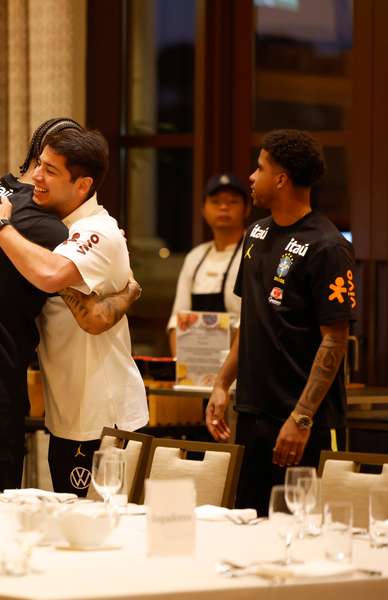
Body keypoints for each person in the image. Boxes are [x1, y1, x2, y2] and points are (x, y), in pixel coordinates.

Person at [0, 118, 140, 493]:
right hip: (65, 411)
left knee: (95, 534)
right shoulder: (48, 227)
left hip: (101, 414)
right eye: (38, 164)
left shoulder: (96, 232)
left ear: (83, 185)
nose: (35, 177)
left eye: (50, 171)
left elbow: (60, 284)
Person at [206, 129, 354, 515]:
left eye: (259, 168)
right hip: (254, 415)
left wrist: (301, 418)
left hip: (305, 422)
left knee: (303, 533)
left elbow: (335, 340)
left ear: (281, 179)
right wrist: (222, 384)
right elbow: (250, 320)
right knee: (249, 524)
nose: (251, 177)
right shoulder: (255, 234)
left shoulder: (328, 246)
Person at [167, 173, 250, 355]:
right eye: (216, 201)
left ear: (246, 209)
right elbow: (177, 319)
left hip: (243, 367)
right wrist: (181, 367)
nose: (223, 207)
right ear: (203, 209)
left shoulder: (254, 253)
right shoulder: (195, 257)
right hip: (197, 368)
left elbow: (254, 323)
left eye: (233, 201)